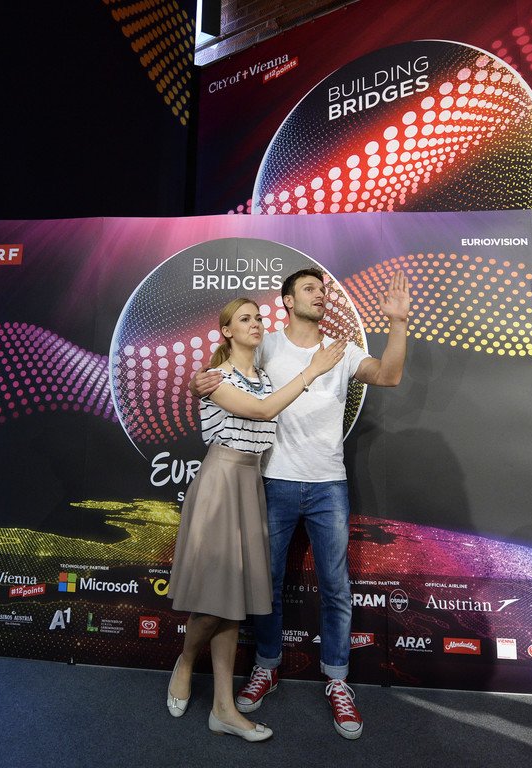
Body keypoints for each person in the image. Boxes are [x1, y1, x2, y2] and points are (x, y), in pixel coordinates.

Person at [191, 268, 410, 740]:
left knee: (335, 585)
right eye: (310, 289)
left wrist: (398, 323)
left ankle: (337, 680)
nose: (321, 295)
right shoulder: (266, 343)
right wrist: (198, 382)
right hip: (274, 481)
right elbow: (225, 366)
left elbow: (388, 375)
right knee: (265, 584)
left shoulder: (341, 351)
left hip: (329, 483)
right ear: (288, 301)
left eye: (323, 289)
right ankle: (266, 666)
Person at [166, 296, 346, 743]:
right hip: (221, 483)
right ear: (226, 331)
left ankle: (223, 710)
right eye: (244, 319)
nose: (256, 324)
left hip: (251, 484)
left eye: (259, 318)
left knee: (233, 602)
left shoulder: (264, 377)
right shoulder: (217, 377)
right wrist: (314, 370)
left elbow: (274, 406)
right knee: (214, 602)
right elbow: (264, 412)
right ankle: (185, 661)